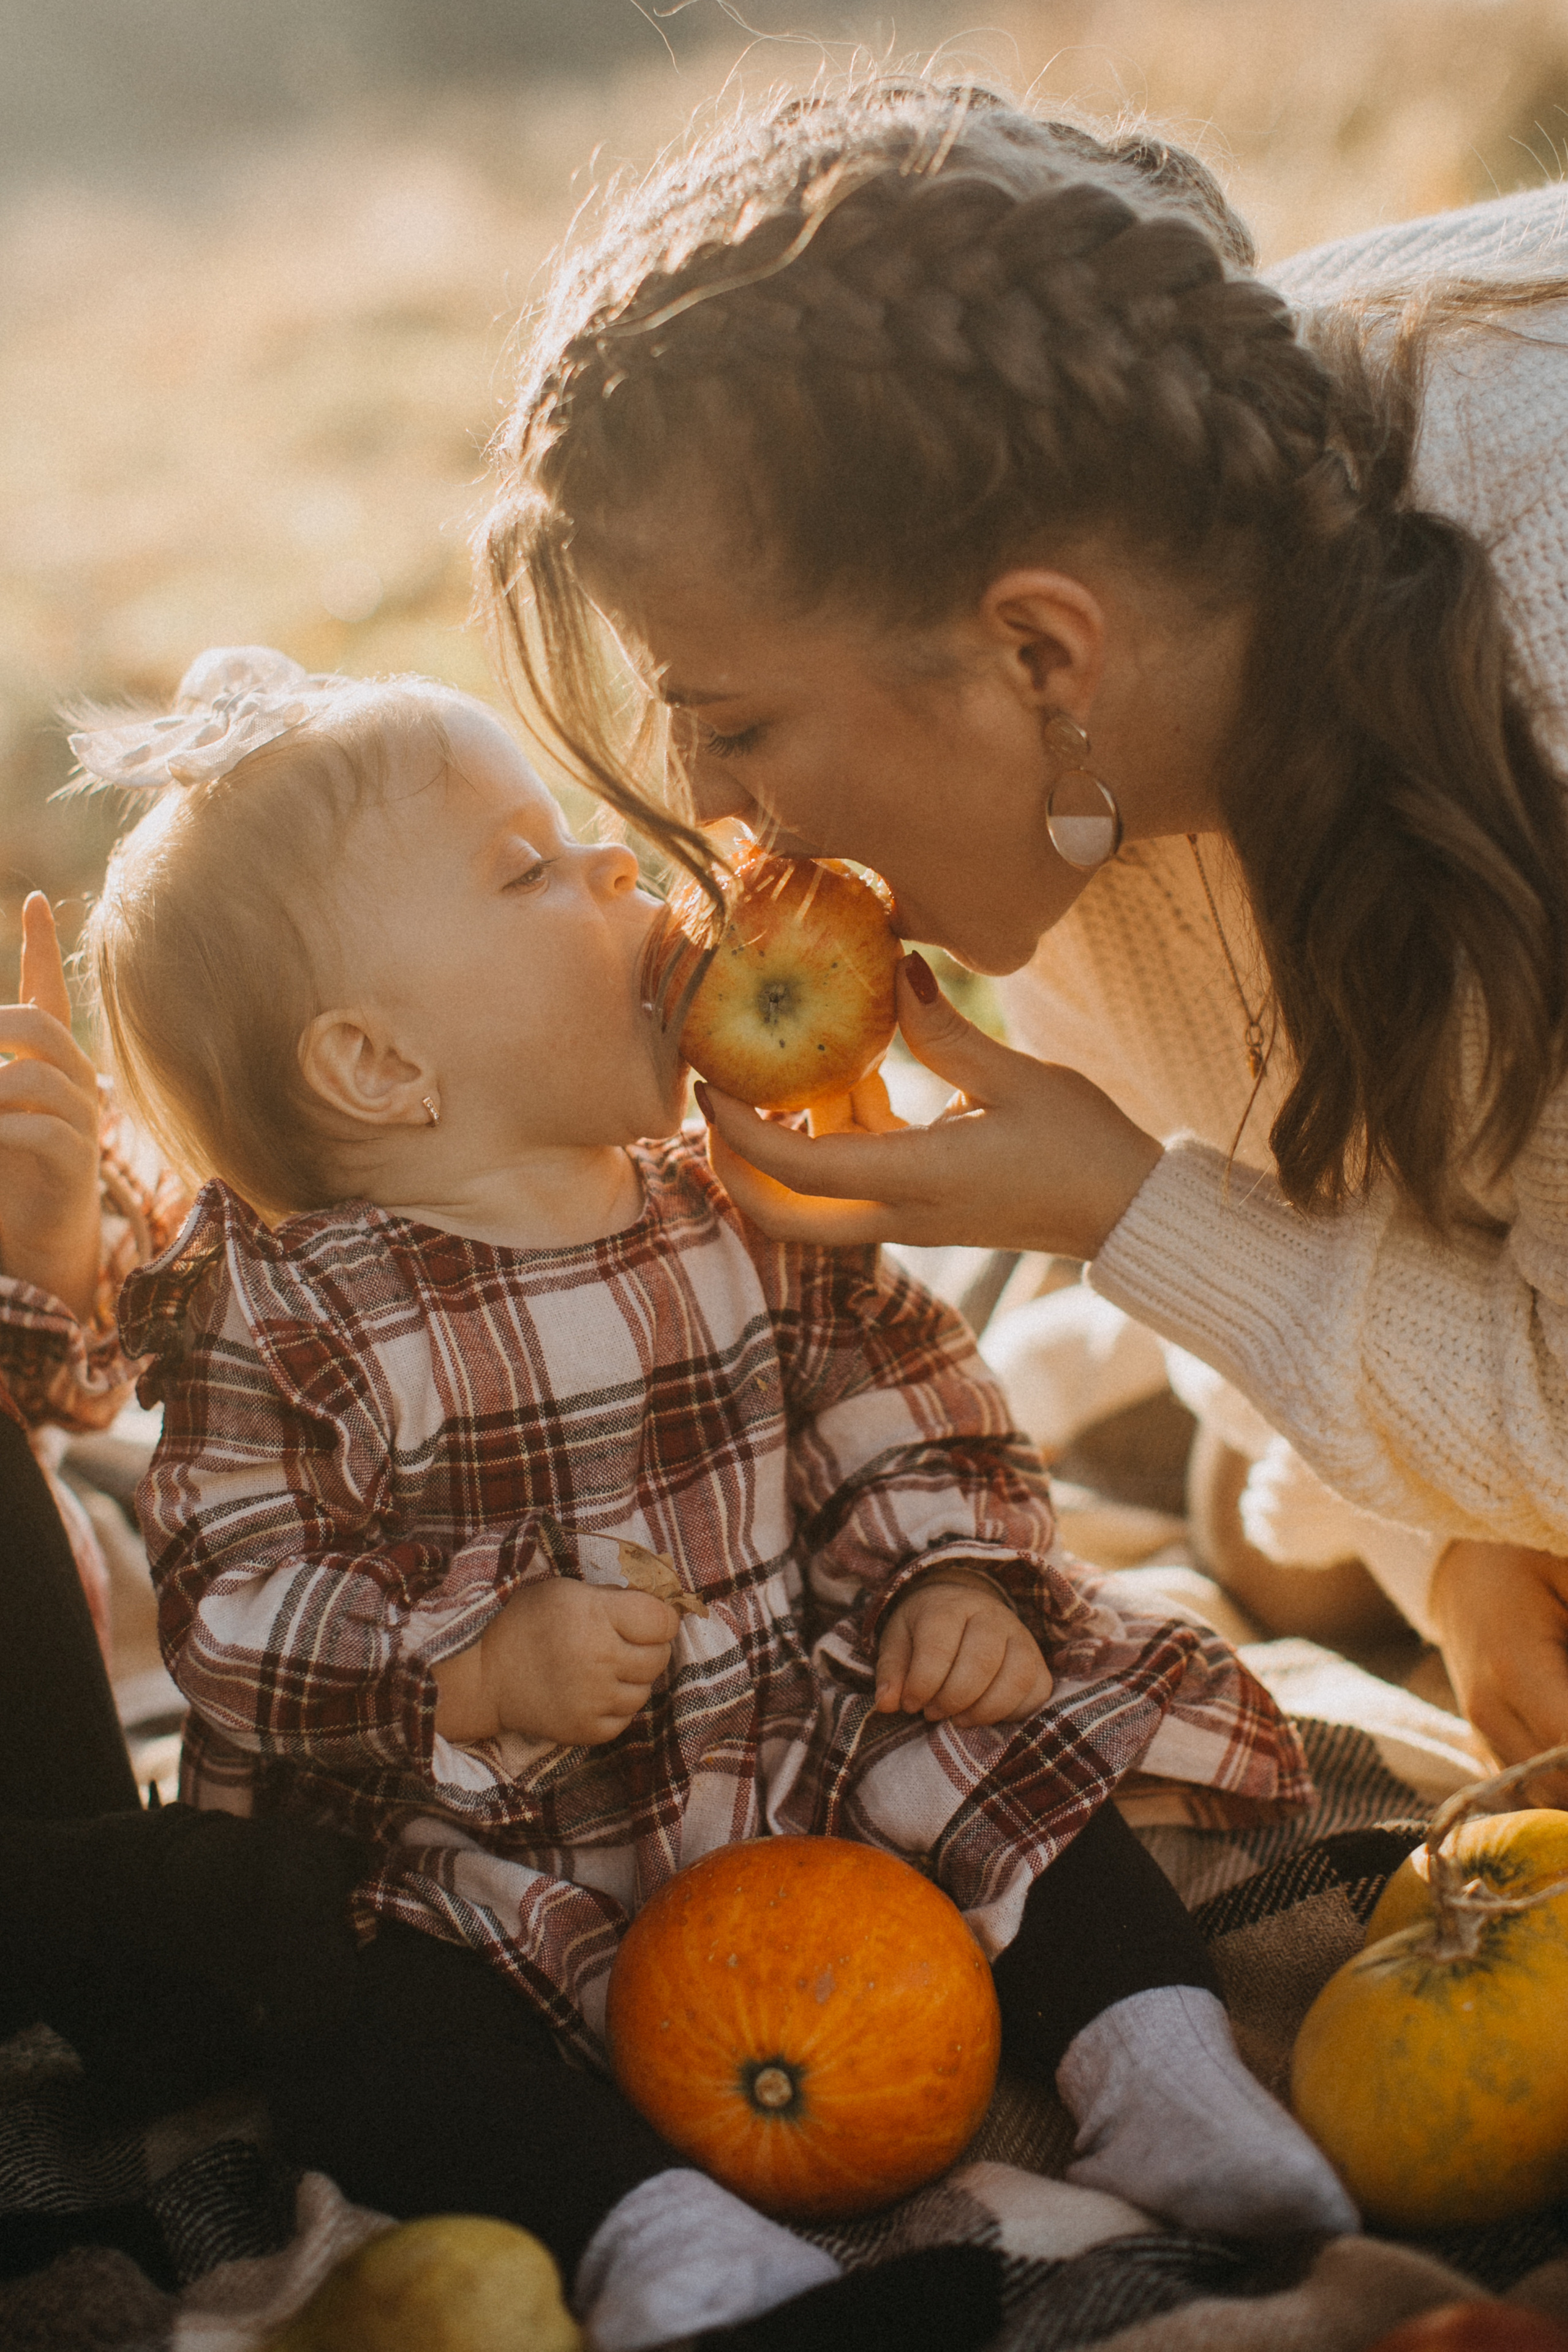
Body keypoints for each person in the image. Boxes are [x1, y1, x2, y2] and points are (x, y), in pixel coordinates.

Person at [43, 644, 1349, 2305]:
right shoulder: (292, 1314)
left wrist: (948, 1570)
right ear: (380, 1067)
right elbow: (232, 1603)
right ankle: (668, 2247)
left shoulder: (722, 1195)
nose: (616, 866)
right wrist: (469, 1661)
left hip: (785, 1739)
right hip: (480, 1848)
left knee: (1024, 1777)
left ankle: (1162, 2073)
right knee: (368, 2034)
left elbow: (887, 1382)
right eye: (527, 870)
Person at [480, 77, 1568, 1776]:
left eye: (737, 723)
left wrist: (1125, 1208)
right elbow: (1260, 1211)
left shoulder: (1533, 693)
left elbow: (1234, 1234)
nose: (706, 803)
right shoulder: (1081, 784)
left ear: (1042, 653)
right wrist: (1453, 1552)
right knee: (1285, 1526)